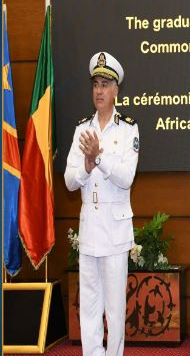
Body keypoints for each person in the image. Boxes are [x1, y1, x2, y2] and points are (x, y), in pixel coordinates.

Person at [64, 51, 139, 356]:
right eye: (95, 84)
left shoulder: (128, 128)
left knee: (114, 310)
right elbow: (69, 181)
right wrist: (86, 166)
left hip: (116, 234)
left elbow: (126, 178)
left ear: (116, 90)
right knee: (89, 307)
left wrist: (98, 158)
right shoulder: (82, 129)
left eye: (105, 85)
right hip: (90, 231)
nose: (98, 91)